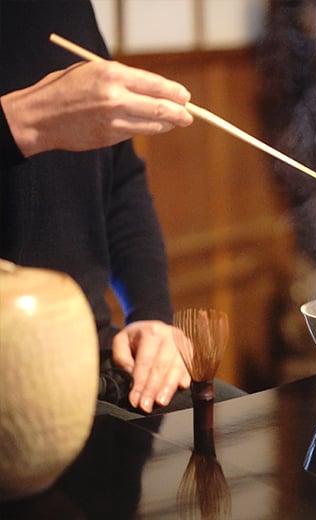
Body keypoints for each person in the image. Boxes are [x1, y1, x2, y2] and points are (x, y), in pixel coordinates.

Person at [1, 0, 242, 415]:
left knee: (237, 427)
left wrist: (148, 315)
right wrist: (25, 121)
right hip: (13, 372)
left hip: (88, 355)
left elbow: (120, 183)